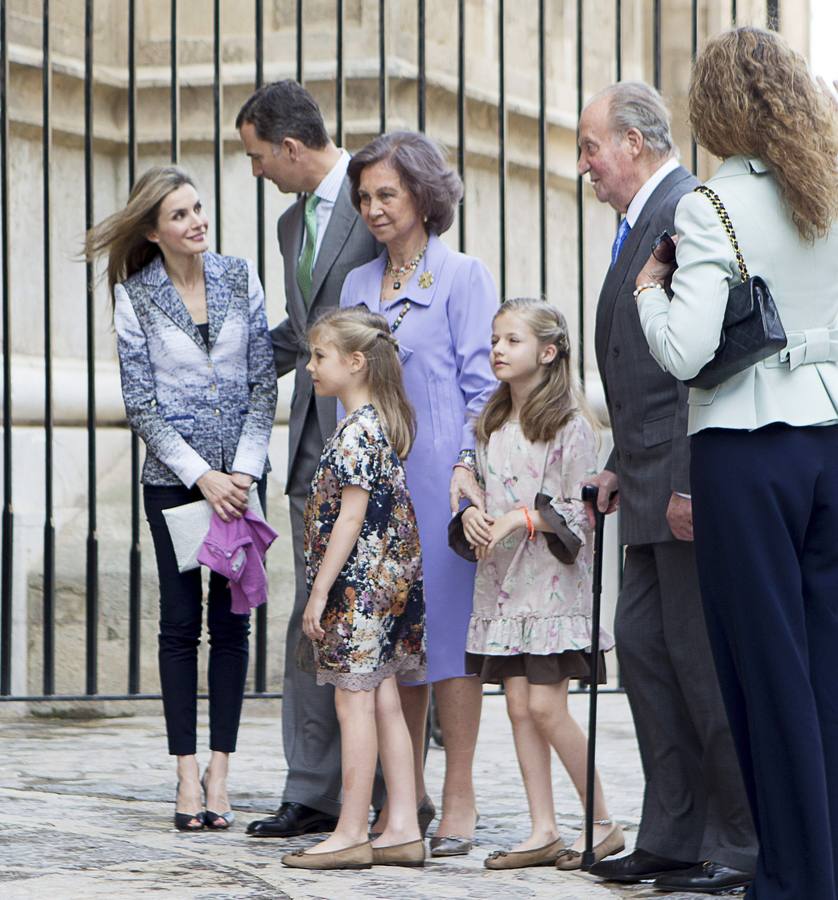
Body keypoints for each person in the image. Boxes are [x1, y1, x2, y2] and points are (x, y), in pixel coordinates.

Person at [635, 27, 838, 899]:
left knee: (764, 670)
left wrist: (650, 289)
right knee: (825, 665)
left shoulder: (710, 204)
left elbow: (684, 352)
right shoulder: (826, 192)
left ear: (714, 108)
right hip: (829, 438)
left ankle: (795, 878)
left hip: (747, 451)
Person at [577, 82, 757, 892]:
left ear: (635, 144)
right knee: (645, 655)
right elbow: (641, 372)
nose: (582, 164)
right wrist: (618, 459)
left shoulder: (684, 208)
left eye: (590, 147)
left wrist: (687, 479)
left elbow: (700, 358)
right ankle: (673, 832)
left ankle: (738, 842)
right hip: (642, 478)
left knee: (699, 664)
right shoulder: (635, 224)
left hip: (681, 482)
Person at [85, 165, 277, 831]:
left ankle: (222, 772)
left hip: (243, 482)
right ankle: (185, 773)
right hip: (176, 486)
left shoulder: (238, 275)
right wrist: (203, 477)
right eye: (180, 215)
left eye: (198, 208)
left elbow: (262, 384)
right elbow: (143, 406)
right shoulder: (135, 296)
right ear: (153, 230)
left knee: (231, 623)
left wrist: (244, 472)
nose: (197, 221)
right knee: (178, 624)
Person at [340, 131, 496, 855]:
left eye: (387, 194)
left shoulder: (462, 276)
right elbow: (349, 395)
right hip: (377, 491)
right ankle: (411, 795)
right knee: (397, 642)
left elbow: (483, 388)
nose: (373, 208)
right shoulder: (355, 287)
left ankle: (459, 793)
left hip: (445, 486)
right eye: (365, 196)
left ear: (423, 196)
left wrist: (468, 473)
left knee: (450, 642)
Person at [236, 80, 381, 839]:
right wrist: (232, 360)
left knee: (380, 620)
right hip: (308, 455)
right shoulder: (293, 222)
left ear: (291, 148)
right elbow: (302, 333)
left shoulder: (376, 192)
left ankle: (393, 784)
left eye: (258, 156)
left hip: (374, 449)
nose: (255, 170)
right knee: (313, 617)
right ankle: (312, 788)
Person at [447, 297, 620, 871]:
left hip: (551, 591)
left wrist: (522, 519)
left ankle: (601, 822)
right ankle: (543, 827)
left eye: (512, 340)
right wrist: (470, 509)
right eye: (495, 339)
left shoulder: (570, 425)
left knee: (546, 707)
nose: (497, 349)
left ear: (547, 352)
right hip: (503, 586)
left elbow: (581, 510)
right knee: (519, 706)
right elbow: (473, 479)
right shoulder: (490, 420)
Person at [281, 307, 426, 870]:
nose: (311, 366)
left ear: (355, 362)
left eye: (320, 356)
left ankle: (351, 829)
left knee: (353, 699)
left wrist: (318, 593)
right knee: (384, 698)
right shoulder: (375, 425)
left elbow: (349, 519)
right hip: (386, 587)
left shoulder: (357, 431)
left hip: (360, 590)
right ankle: (403, 826)